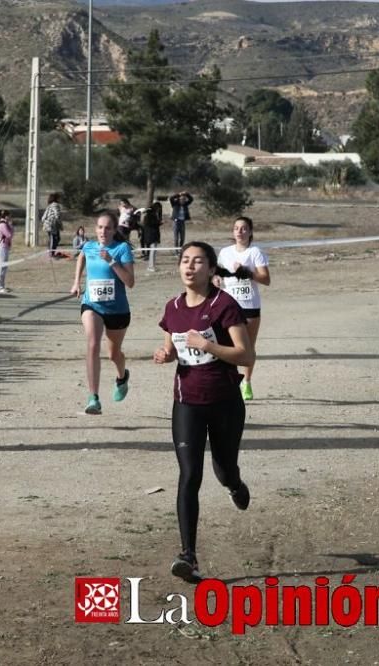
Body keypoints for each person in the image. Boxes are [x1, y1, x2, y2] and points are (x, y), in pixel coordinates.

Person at [154, 241, 254, 583]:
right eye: (185, 260)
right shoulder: (173, 308)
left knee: (224, 470)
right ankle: (188, 555)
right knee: (189, 475)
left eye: (198, 261)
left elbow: (246, 355)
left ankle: (236, 485)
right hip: (187, 402)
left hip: (225, 401)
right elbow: (173, 346)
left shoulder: (224, 305)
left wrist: (208, 345)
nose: (190, 266)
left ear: (212, 269)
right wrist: (165, 355)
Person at [70, 212, 135, 415]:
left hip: (117, 310)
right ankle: (93, 398)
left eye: (107, 228)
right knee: (92, 344)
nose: (102, 231)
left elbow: (130, 282)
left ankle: (122, 376)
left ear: (115, 230)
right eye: (99, 227)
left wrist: (112, 261)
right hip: (92, 305)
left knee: (113, 354)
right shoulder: (89, 246)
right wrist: (76, 282)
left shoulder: (122, 249)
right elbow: (81, 257)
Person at [217, 217, 270, 399]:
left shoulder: (256, 252)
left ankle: (246, 382)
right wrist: (215, 279)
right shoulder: (225, 252)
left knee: (248, 348)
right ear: (233, 232)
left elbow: (266, 279)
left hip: (250, 306)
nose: (240, 232)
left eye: (244, 228)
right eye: (236, 228)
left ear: (250, 232)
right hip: (229, 306)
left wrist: (247, 272)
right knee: (225, 346)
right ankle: (229, 381)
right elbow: (218, 273)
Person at [141, 201, 163, 271]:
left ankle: (152, 265)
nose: (159, 210)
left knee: (153, 251)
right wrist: (158, 223)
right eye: (158, 208)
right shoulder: (150, 214)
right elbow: (149, 224)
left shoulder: (153, 214)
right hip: (151, 235)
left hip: (153, 234)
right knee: (152, 251)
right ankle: (151, 266)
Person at [0, 210, 14, 293]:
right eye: (9, 216)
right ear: (6, 216)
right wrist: (11, 226)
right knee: (1, 267)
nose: (10, 217)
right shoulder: (3, 225)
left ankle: (2, 285)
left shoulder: (5, 224)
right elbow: (9, 235)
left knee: (4, 267)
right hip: (2, 247)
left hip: (5, 247)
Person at [41, 194, 63, 258]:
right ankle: (51, 253)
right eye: (59, 198)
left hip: (51, 225)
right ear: (56, 198)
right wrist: (60, 224)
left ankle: (51, 251)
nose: (60, 199)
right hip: (51, 225)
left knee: (56, 238)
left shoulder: (50, 205)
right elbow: (57, 216)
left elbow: (43, 217)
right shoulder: (55, 205)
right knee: (53, 238)